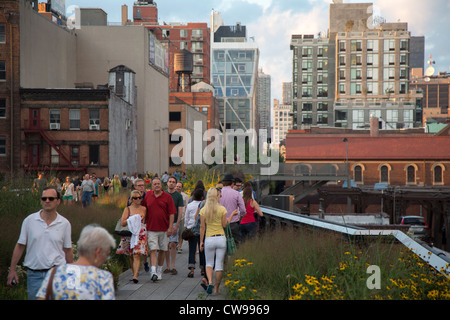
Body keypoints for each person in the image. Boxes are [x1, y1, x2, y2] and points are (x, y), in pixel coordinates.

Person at [7, 187, 73, 300]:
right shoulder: (29, 221)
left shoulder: (64, 224)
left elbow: (68, 250)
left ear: (58, 201)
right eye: (44, 198)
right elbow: (20, 245)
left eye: (51, 198)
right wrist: (12, 270)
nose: (47, 201)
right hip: (34, 276)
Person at [36, 224, 116, 300]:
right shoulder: (102, 278)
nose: (106, 258)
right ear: (98, 251)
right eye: (107, 254)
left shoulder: (54, 272)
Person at [200, 188, 237, 295]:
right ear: (217, 196)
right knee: (219, 264)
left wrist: (201, 242)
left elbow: (202, 227)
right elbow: (225, 225)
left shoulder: (203, 210)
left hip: (209, 239)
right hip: (221, 238)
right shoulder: (222, 209)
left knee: (209, 263)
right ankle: (216, 289)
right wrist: (231, 216)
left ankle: (210, 281)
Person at [141, 177, 177, 281]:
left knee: (162, 250)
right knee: (153, 249)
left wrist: (170, 227)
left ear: (161, 185)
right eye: (155, 184)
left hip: (164, 229)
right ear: (151, 186)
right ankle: (153, 271)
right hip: (151, 228)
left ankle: (159, 270)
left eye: (158, 184)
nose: (157, 185)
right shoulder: (148, 196)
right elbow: (144, 210)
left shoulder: (167, 197)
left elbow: (171, 214)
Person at [116, 190, 148, 283]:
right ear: (132, 199)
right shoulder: (128, 209)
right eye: (135, 198)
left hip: (140, 233)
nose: (138, 199)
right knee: (131, 255)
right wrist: (132, 219)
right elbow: (122, 222)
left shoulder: (144, 209)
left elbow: (145, 221)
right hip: (129, 233)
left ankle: (135, 276)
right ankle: (134, 272)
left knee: (136, 254)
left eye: (139, 197)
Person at [164, 176, 184, 275]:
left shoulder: (178, 196)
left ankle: (173, 266)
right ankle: (167, 266)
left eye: (173, 182)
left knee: (173, 244)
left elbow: (180, 211)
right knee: (166, 245)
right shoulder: (163, 194)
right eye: (170, 181)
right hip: (164, 223)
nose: (171, 183)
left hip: (175, 221)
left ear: (176, 184)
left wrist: (177, 225)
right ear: (167, 183)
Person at [219, 174, 246, 245]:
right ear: (232, 183)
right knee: (235, 245)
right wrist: (239, 215)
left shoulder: (218, 193)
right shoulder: (236, 194)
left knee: (222, 245)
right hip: (233, 223)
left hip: (220, 223)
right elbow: (243, 209)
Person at [184, 188, 204, 278]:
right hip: (201, 229)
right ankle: (203, 269)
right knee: (202, 249)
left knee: (192, 250)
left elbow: (186, 218)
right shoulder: (204, 205)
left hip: (191, 229)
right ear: (202, 197)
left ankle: (191, 269)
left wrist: (186, 227)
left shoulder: (190, 205)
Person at [176, 181, 189, 253]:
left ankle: (180, 246)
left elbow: (187, 206)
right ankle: (174, 244)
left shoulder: (185, 196)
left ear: (182, 188)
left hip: (182, 216)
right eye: (177, 186)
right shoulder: (172, 195)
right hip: (174, 216)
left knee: (181, 232)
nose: (178, 188)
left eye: (179, 187)